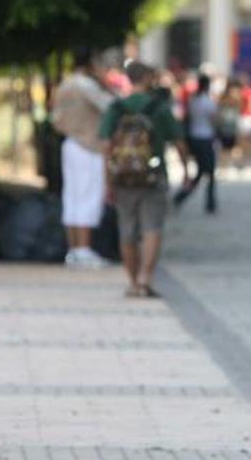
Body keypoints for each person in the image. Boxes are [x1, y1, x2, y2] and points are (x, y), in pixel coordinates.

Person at [100, 61, 190, 298]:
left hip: (122, 177)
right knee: (152, 228)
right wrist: (187, 171)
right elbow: (179, 142)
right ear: (148, 79)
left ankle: (131, 281)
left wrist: (107, 179)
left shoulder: (116, 108)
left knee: (127, 230)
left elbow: (106, 145)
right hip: (153, 175)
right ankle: (145, 278)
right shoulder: (159, 108)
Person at [52, 47, 115, 268]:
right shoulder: (86, 86)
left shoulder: (64, 85)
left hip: (70, 143)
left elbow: (56, 118)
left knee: (72, 197)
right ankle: (84, 249)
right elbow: (111, 107)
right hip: (88, 145)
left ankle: (74, 250)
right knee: (88, 196)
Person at [173, 74, 218, 213]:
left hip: (194, 137)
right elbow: (214, 120)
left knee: (201, 172)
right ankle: (209, 202)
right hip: (205, 138)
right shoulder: (207, 102)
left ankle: (183, 196)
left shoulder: (193, 100)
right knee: (209, 173)